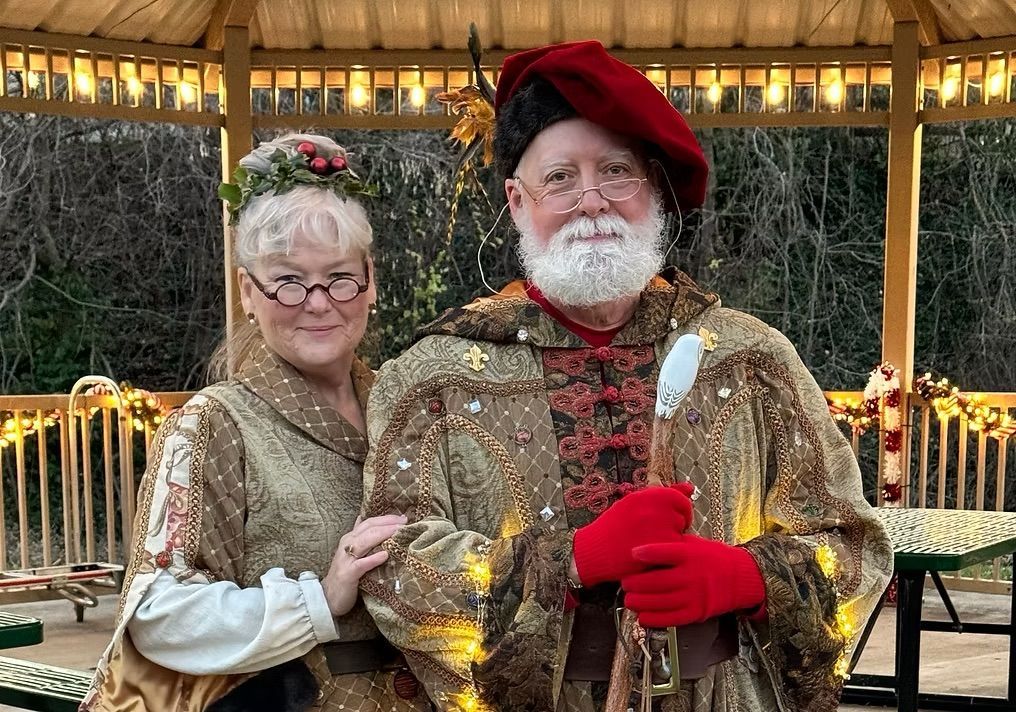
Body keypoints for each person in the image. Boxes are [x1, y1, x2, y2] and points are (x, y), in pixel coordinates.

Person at [360, 42, 893, 712]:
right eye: (560, 178)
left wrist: (745, 578)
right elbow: (393, 569)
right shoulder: (431, 379)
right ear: (517, 201)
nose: (592, 202)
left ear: (655, 195)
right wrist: (571, 562)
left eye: (616, 171)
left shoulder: (752, 357)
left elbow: (855, 543)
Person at [81, 134, 432, 712]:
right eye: (289, 280)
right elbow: (157, 611)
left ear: (370, 283)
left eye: (339, 277)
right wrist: (321, 597)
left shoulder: (410, 406)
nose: (318, 302)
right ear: (249, 290)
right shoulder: (214, 424)